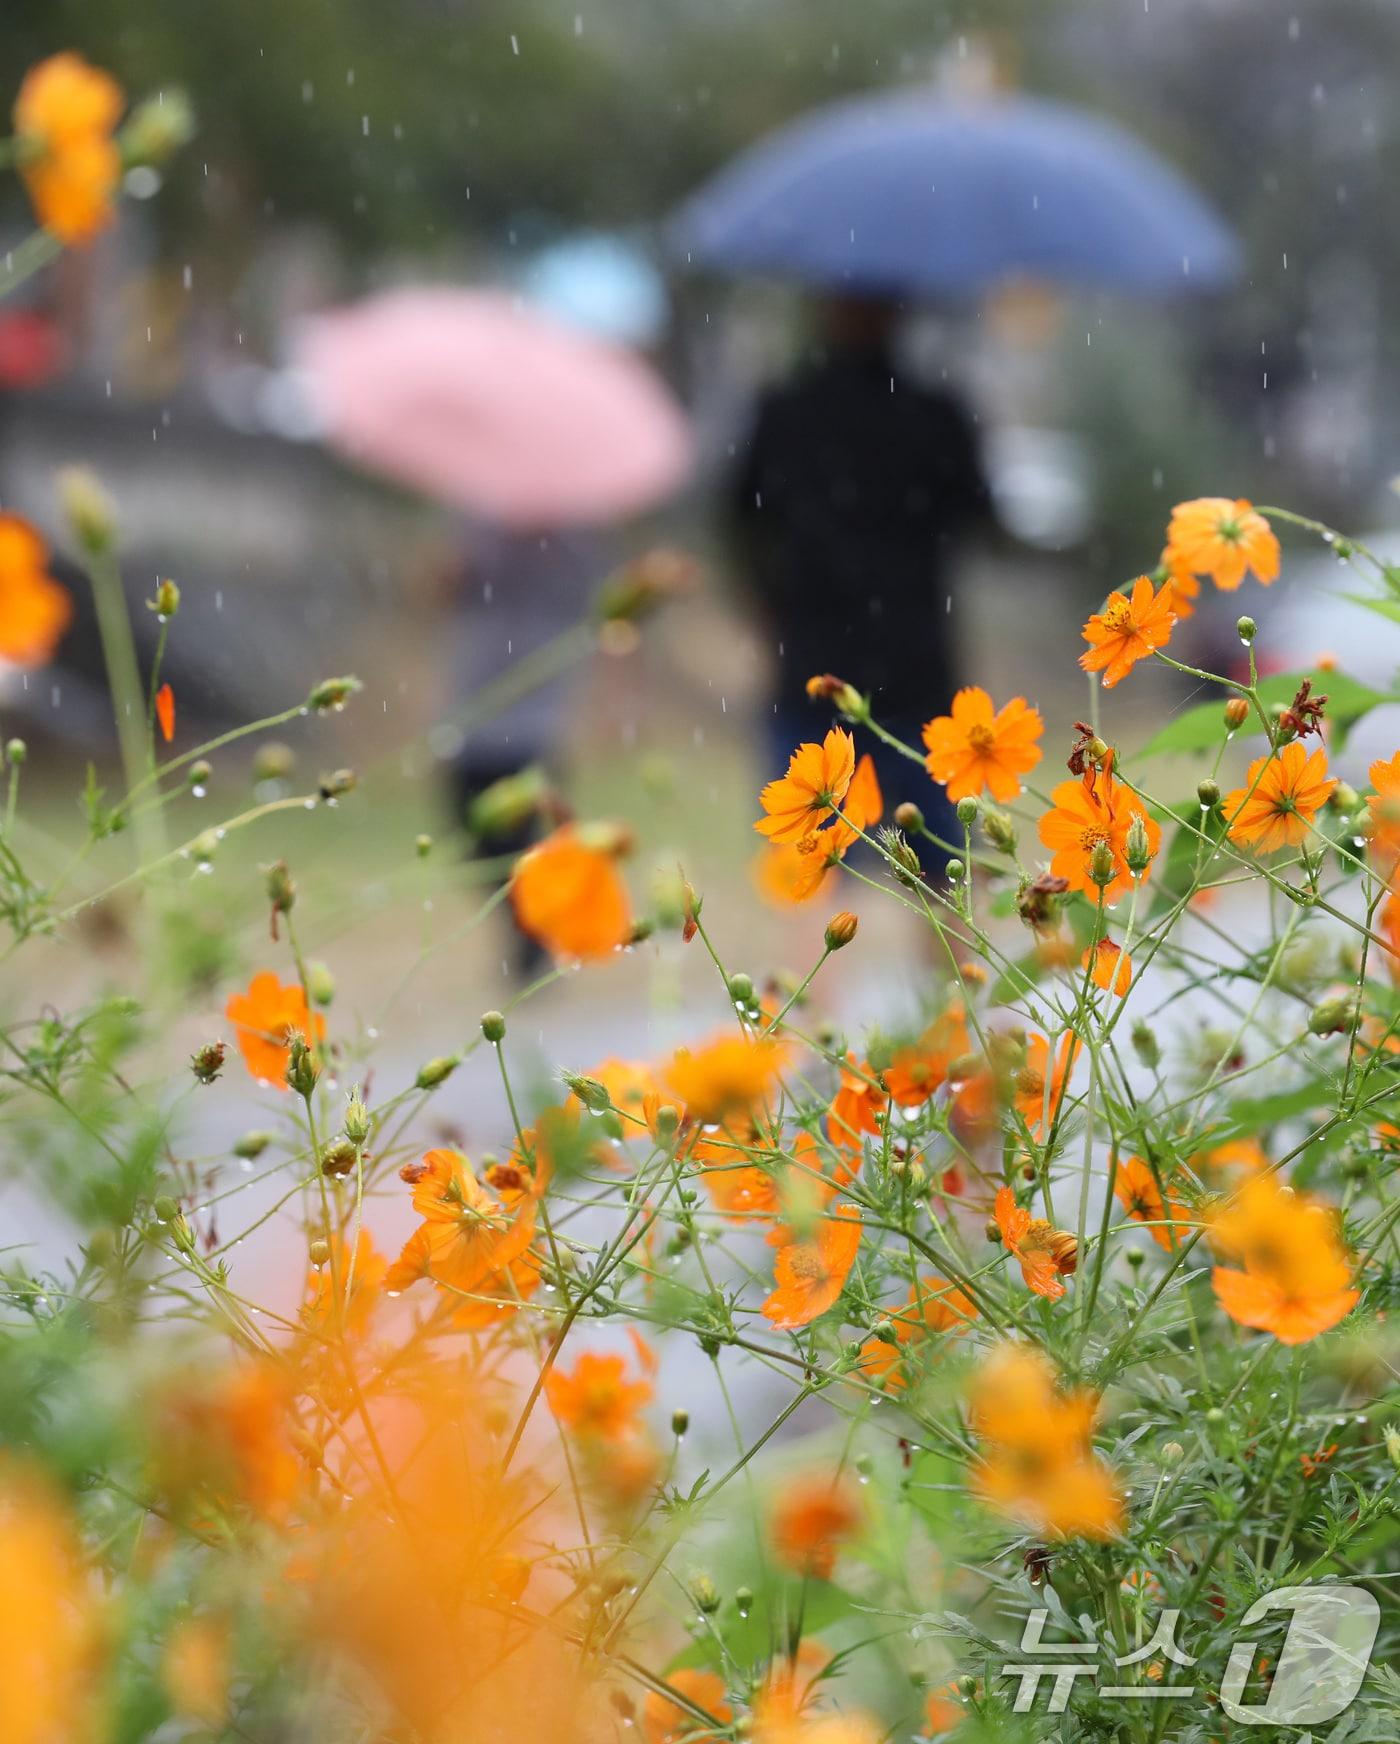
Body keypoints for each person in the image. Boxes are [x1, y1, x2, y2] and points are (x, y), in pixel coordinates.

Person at [729, 295, 993, 837]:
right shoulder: (932, 412)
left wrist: (765, 601)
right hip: (905, 658)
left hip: (824, 656)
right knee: (945, 862)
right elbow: (981, 519)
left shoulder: (788, 409)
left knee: (813, 853)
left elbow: (744, 522)